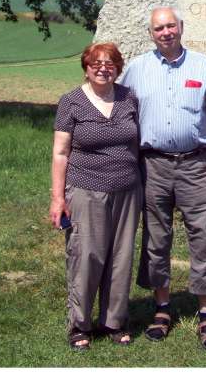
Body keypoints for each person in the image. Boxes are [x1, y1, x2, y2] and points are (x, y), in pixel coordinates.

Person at [120, 7, 206, 351]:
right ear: (151, 34)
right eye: (158, 28)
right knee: (156, 238)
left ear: (181, 28)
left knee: (204, 236)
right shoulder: (137, 70)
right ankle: (162, 308)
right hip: (152, 166)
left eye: (170, 26)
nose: (165, 32)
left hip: (195, 164)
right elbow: (117, 110)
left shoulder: (203, 65)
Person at [49, 42, 142, 352]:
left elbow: (135, 142)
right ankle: (79, 325)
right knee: (86, 256)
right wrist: (57, 198)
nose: (104, 68)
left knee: (121, 257)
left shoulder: (129, 98)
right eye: (96, 63)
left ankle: (115, 321)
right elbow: (61, 153)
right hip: (85, 189)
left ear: (118, 67)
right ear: (86, 67)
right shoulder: (71, 102)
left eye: (110, 63)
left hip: (127, 190)